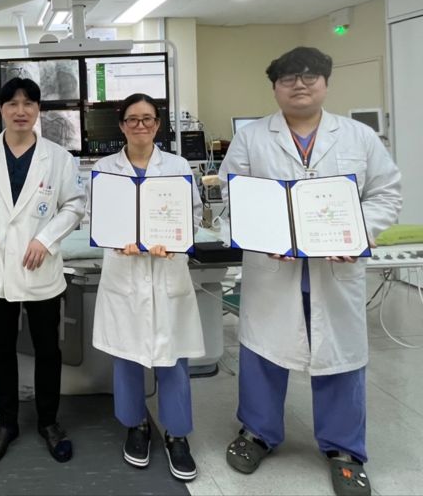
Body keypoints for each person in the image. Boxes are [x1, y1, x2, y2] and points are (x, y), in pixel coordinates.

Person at [218, 47, 402, 496]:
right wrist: (263, 236)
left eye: (310, 77)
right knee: (263, 353)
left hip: (334, 270)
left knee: (339, 357)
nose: (299, 85)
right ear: (275, 88)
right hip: (272, 269)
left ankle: (345, 450)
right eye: (288, 79)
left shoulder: (358, 137)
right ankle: (257, 433)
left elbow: (386, 194)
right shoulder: (252, 139)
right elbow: (232, 195)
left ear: (326, 83)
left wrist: (356, 234)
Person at [0, 77, 86, 464]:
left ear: (38, 110)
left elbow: (74, 204)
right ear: (1, 109)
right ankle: (7, 422)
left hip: (40, 268)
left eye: (28, 103)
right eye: (12, 103)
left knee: (48, 349)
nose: (20, 111)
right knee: (2, 349)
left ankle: (49, 422)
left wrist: (45, 239)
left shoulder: (57, 157)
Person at [90, 93, 204, 481]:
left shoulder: (177, 166)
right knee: (127, 356)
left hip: (166, 270)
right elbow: (95, 215)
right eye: (133, 119)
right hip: (125, 272)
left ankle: (177, 434)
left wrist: (174, 240)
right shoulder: (105, 168)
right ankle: (135, 425)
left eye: (148, 119)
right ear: (122, 125)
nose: (141, 125)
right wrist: (114, 239)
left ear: (158, 124)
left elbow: (192, 215)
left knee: (173, 358)